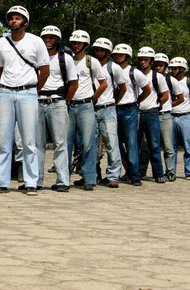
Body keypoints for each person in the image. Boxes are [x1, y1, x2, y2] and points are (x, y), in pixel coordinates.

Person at [0, 6, 49, 195]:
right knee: (2, 140)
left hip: (28, 93)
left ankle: (31, 182)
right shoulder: (1, 43)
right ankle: (2, 181)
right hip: (6, 93)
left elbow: (44, 70)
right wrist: (8, 84)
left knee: (29, 140)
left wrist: (33, 90)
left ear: (25, 22)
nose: (13, 21)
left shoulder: (36, 42)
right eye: (11, 18)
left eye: (17, 18)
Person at [35, 26, 78, 192]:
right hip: (39, 101)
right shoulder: (36, 58)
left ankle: (62, 181)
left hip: (58, 101)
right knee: (37, 144)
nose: (48, 40)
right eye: (45, 37)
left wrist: (64, 102)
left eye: (51, 37)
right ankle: (36, 181)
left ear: (57, 39)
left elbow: (74, 84)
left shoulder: (65, 58)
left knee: (61, 143)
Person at [67, 30, 107, 191]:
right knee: (66, 142)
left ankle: (89, 178)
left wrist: (92, 98)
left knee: (88, 142)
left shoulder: (91, 62)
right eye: (74, 42)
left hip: (86, 106)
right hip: (69, 105)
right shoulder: (67, 60)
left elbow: (103, 83)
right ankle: (63, 178)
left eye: (79, 43)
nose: (75, 45)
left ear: (85, 45)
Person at [111, 43, 151, 186]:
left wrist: (136, 102)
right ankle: (121, 171)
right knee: (115, 143)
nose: (118, 57)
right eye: (116, 55)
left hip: (129, 109)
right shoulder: (110, 69)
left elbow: (147, 89)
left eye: (121, 55)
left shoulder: (134, 72)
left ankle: (135, 175)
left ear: (127, 56)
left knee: (131, 142)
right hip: (113, 108)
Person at [91, 37, 128, 188]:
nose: (99, 53)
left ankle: (113, 175)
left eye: (102, 50)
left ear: (108, 52)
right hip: (90, 108)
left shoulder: (114, 68)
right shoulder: (89, 64)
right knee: (90, 144)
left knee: (111, 143)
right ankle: (92, 175)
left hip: (108, 108)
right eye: (97, 50)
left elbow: (123, 88)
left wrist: (114, 102)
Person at [136, 46, 169, 183]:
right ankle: (134, 172)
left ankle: (158, 173)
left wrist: (155, 105)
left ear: (151, 61)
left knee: (154, 144)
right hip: (137, 113)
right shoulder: (134, 73)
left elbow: (165, 95)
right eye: (141, 60)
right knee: (134, 145)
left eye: (146, 60)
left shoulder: (157, 77)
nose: (143, 62)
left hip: (151, 113)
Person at [149, 53, 184, 181]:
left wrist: (169, 105)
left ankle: (170, 171)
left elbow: (181, 98)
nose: (158, 68)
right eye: (156, 65)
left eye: (161, 65)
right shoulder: (149, 77)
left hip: (165, 115)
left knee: (168, 146)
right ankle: (142, 170)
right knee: (147, 145)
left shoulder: (171, 80)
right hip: (150, 114)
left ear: (165, 66)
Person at [169, 57, 190, 180]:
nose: (172, 70)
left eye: (175, 68)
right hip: (171, 117)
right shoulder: (168, 81)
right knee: (170, 147)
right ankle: (170, 171)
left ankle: (189, 172)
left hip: (186, 116)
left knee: (188, 146)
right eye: (171, 68)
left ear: (182, 69)